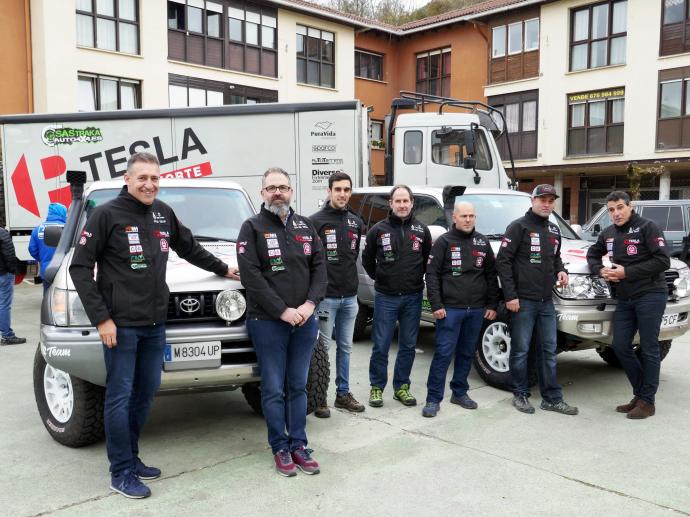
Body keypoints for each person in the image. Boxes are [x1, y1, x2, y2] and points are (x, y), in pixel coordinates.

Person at [70, 152, 239, 499]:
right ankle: (120, 472)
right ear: (128, 180)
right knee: (119, 397)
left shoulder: (163, 213)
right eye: (142, 178)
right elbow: (80, 268)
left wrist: (223, 269)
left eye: (154, 178)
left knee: (145, 395)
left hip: (155, 324)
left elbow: (189, 247)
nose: (149, 184)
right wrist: (102, 318)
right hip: (121, 326)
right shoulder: (106, 216)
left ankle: (132, 458)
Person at [237, 167, 327, 477]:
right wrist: (282, 311)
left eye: (284, 187)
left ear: (291, 191)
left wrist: (309, 304)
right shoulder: (251, 228)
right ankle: (280, 447)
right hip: (267, 322)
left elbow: (320, 269)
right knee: (273, 388)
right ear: (262, 193)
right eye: (272, 187)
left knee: (298, 386)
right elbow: (251, 277)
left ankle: (299, 444)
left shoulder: (305, 227)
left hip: (304, 321)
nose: (278, 192)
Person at [496, 184, 578, 416]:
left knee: (549, 350)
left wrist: (561, 270)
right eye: (542, 199)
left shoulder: (553, 229)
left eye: (551, 200)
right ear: (532, 201)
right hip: (523, 301)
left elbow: (556, 258)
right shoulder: (518, 227)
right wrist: (510, 296)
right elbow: (503, 262)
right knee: (521, 350)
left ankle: (551, 398)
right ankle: (520, 394)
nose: (546, 204)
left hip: (546, 301)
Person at [586, 191, 670, 419]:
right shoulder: (609, 233)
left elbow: (663, 260)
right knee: (621, 346)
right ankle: (640, 395)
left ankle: (647, 402)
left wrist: (627, 272)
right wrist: (599, 270)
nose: (616, 213)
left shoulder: (647, 227)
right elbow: (592, 254)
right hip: (624, 298)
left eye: (620, 207)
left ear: (630, 206)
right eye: (611, 209)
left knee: (650, 348)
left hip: (650, 294)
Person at [422, 202, 498, 417]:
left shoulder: (482, 242)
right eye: (463, 215)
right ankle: (433, 399)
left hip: (476, 310)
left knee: (466, 353)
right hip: (450, 310)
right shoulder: (444, 242)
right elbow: (432, 275)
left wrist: (492, 304)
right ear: (454, 218)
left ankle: (459, 392)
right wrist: (437, 305)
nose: (468, 219)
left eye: (471, 216)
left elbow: (491, 275)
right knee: (443, 355)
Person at [362, 185, 431, 408]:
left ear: (412, 203)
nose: (402, 205)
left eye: (406, 201)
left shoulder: (422, 231)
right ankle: (376, 388)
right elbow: (367, 260)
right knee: (381, 345)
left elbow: (426, 259)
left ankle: (402, 387)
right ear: (390, 204)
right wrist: (382, 278)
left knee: (408, 346)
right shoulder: (378, 231)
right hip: (386, 297)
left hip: (412, 297)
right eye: (398, 201)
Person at [309, 172, 365, 418]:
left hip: (350, 298)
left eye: (346, 190)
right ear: (329, 191)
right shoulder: (315, 221)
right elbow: (308, 262)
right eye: (338, 189)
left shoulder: (356, 222)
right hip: (326, 298)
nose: (342, 194)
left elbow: (352, 258)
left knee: (345, 347)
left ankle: (343, 394)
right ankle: (320, 397)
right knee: (322, 349)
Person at [29, 202, 68, 288]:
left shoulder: (38, 229)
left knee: (47, 295)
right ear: (62, 212)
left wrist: (43, 259)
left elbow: (32, 249)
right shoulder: (68, 228)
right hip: (64, 270)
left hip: (46, 270)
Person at [0, 226, 26, 346]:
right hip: (3, 274)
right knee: (4, 305)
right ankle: (7, 336)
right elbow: (9, 254)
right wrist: (12, 270)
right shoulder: (2, 233)